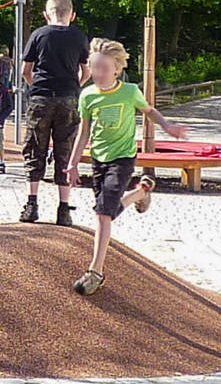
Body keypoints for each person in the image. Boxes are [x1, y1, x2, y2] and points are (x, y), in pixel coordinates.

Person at [66, 38, 188, 295]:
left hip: (122, 159)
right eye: (94, 67)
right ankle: (141, 192)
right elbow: (84, 131)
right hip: (98, 160)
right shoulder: (87, 95)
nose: (98, 73)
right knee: (106, 211)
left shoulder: (130, 91)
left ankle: (95, 271)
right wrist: (73, 163)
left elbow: (149, 110)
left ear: (116, 69)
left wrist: (167, 127)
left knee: (102, 213)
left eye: (104, 68)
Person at [20, 0, 90, 226]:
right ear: (72, 15)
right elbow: (86, 71)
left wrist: (36, 87)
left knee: (34, 148)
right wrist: (74, 87)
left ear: (46, 15)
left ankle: (32, 204)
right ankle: (63, 209)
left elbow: (25, 71)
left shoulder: (38, 34)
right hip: (68, 98)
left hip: (40, 97)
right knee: (65, 149)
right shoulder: (79, 36)